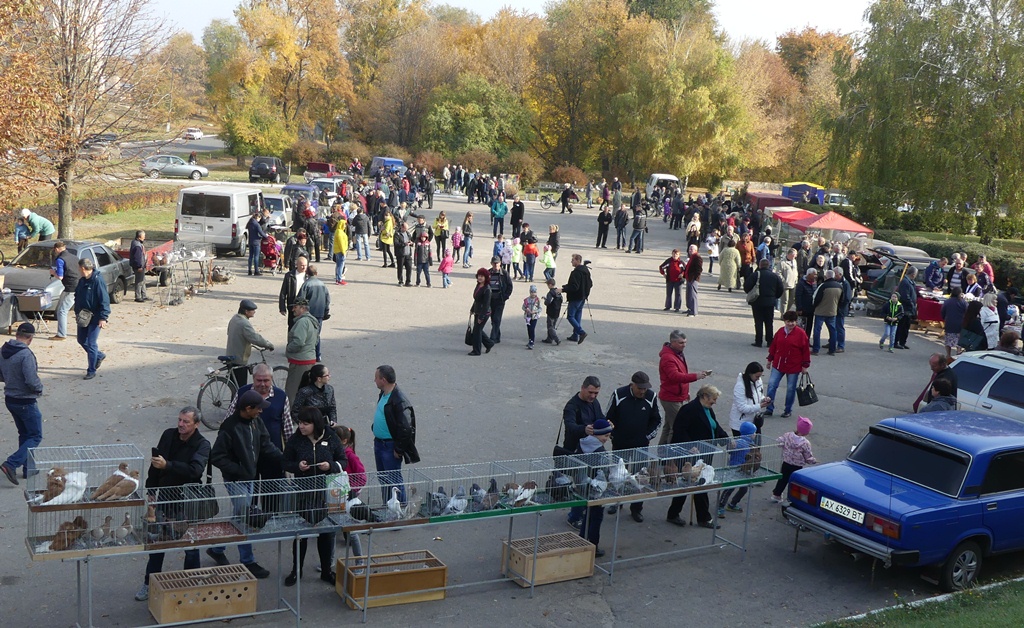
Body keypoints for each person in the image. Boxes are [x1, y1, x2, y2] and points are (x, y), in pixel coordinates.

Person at [134, 407, 210, 601]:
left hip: (186, 502)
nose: (181, 425)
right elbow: (155, 464)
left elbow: (195, 471)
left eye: (186, 422)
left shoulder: (202, 444)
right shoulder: (169, 435)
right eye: (180, 420)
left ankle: (191, 584)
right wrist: (151, 490)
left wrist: (169, 465)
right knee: (158, 543)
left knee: (191, 546)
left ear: (196, 424)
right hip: (165, 500)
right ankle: (149, 584)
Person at [206, 389, 283, 578]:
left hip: (250, 477)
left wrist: (284, 459)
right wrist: (239, 469)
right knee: (246, 518)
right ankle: (248, 561)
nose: (261, 412)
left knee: (239, 516)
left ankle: (217, 549)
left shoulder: (255, 422)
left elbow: (265, 444)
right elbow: (217, 457)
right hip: (235, 480)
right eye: (258, 409)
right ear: (247, 408)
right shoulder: (229, 428)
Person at [283, 407, 347, 586]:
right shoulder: (296, 439)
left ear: (315, 424)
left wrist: (331, 466)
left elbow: (343, 460)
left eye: (305, 423)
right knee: (300, 534)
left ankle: (326, 571)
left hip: (325, 494)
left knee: (326, 533)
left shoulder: (331, 437)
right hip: (303, 492)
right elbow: (285, 461)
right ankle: (296, 571)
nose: (301, 426)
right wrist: (298, 466)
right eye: (300, 423)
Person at [665, 385, 726, 529]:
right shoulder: (689, 409)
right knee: (692, 485)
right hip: (690, 456)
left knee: (696, 485)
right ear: (704, 396)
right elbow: (679, 430)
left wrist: (726, 439)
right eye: (713, 399)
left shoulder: (707, 409)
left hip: (704, 453)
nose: (715, 402)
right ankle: (696, 517)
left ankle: (691, 516)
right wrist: (689, 446)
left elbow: (715, 427)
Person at [606, 372, 662, 523]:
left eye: (645, 388)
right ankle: (616, 502)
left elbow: (657, 420)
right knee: (617, 476)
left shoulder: (651, 397)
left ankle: (636, 508)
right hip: (620, 444)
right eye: (639, 388)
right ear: (632, 385)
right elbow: (608, 417)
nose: (642, 391)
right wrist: (613, 435)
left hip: (641, 446)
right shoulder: (619, 394)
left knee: (640, 478)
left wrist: (646, 437)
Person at [0, 323, 43, 485]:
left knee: (25, 434)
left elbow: (1, 375)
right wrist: (39, 389)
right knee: (35, 435)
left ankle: (28, 469)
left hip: (10, 399)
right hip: (25, 400)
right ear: (30, 338)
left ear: (17, 334)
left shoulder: (3, 350)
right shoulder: (25, 355)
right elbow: (32, 380)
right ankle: (11, 464)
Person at [372, 365, 419, 504]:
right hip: (379, 442)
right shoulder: (384, 394)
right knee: (383, 478)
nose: (374, 380)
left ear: (383, 380)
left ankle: (399, 509)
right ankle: (388, 506)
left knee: (393, 480)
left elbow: (406, 428)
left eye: (376, 378)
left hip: (389, 446)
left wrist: (398, 449)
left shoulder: (399, 400)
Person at [562, 375, 605, 530]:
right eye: (590, 392)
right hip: (576, 451)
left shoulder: (594, 403)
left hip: (593, 448)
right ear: (583, 388)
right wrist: (584, 429)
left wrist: (607, 425)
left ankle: (589, 509)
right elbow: (570, 426)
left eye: (596, 393)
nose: (593, 396)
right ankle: (574, 517)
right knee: (581, 485)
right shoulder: (572, 406)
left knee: (596, 481)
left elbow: (600, 419)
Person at [657, 330, 710, 444]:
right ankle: (669, 457)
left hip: (676, 395)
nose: (684, 345)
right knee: (676, 427)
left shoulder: (677, 353)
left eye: (685, 342)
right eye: (681, 343)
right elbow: (675, 376)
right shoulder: (668, 358)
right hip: (671, 398)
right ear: (673, 342)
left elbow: (680, 375)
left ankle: (661, 455)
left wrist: (685, 392)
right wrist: (696, 376)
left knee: (668, 427)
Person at [225, 364, 293, 451]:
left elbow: (287, 428)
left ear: (271, 379)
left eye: (266, 380)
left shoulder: (281, 396)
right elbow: (228, 420)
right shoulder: (242, 393)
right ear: (253, 378)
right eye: (259, 380)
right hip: (245, 448)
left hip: (272, 450)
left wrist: (290, 452)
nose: (262, 384)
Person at [575, 418, 613, 556]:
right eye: (605, 436)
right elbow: (605, 472)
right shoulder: (600, 451)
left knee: (587, 514)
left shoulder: (582, 443)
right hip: (596, 491)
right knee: (596, 517)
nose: (606, 439)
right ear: (597, 434)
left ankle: (582, 539)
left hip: (582, 486)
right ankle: (593, 545)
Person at [764, 311, 811, 420]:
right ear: (785, 321)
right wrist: (769, 359)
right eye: (789, 321)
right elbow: (774, 347)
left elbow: (805, 351)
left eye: (793, 321)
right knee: (771, 385)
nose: (791, 324)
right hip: (778, 364)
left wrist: (805, 365)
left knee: (791, 389)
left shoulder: (801, 334)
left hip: (793, 366)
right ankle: (769, 408)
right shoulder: (780, 332)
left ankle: (787, 410)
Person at [73, 258, 109, 380]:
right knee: (81, 340)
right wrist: (77, 312)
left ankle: (91, 370)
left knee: (92, 343)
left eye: (79, 269)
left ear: (83, 268)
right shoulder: (82, 281)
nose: (78, 271)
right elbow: (77, 296)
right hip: (83, 316)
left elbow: (104, 299)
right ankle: (98, 356)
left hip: (95, 317)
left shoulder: (98, 281)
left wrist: (103, 317)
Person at [225, 299, 274, 387]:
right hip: (239, 358)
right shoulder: (244, 323)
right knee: (241, 388)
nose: (254, 312)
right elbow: (255, 338)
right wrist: (268, 344)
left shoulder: (234, 318)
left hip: (231, 354)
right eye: (253, 310)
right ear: (246, 311)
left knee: (234, 387)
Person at [771, 416, 817, 502]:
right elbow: (808, 456)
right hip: (797, 465)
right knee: (794, 482)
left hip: (786, 462)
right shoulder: (805, 443)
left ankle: (776, 494)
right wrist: (813, 461)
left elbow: (779, 441)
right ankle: (791, 498)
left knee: (782, 479)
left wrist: (784, 446)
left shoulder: (788, 435)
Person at [285, 298, 319, 403]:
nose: (293, 309)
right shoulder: (313, 321)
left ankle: (291, 416)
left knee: (292, 392)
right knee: (306, 391)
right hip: (309, 359)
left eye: (295, 307)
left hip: (300, 362)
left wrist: (288, 349)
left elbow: (299, 342)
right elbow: (316, 340)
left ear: (303, 308)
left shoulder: (302, 322)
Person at [745, 259, 783, 348]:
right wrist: (774, 297)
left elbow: (747, 287)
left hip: (757, 302)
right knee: (769, 322)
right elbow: (780, 289)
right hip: (770, 302)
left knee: (758, 321)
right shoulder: (775, 276)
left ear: (760, 265)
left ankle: (758, 341)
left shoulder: (755, 275)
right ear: (769, 265)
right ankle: (770, 341)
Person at [296, 265, 330, 361]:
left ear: (307, 273)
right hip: (319, 313)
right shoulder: (322, 284)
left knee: (306, 334)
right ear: (316, 273)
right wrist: (326, 311)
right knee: (316, 334)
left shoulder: (306, 284)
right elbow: (327, 299)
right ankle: (317, 354)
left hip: (309, 313)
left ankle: (307, 353)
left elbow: (300, 299)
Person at [49, 241, 79, 341]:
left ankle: (61, 334)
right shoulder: (74, 257)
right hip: (80, 285)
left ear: (56, 249)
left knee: (62, 311)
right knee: (80, 309)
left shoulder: (60, 260)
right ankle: (84, 332)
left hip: (70, 287)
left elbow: (60, 277)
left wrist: (53, 272)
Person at [730, 361, 768, 435]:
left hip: (754, 422)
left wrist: (764, 399)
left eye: (760, 376)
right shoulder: (740, 386)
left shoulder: (758, 381)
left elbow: (759, 396)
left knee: (757, 445)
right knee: (744, 446)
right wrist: (760, 406)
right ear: (750, 374)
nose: (759, 379)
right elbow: (742, 408)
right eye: (757, 376)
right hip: (740, 425)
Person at [811, 269, 843, 355]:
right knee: (833, 331)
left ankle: (816, 349)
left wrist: (814, 307)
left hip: (820, 312)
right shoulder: (839, 286)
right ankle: (832, 350)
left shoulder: (823, 286)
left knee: (817, 331)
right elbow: (841, 300)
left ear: (826, 276)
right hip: (832, 311)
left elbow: (816, 298)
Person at [563, 255, 592, 344]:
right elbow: (590, 284)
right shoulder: (586, 270)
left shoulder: (575, 273)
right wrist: (585, 293)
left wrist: (564, 289)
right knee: (577, 316)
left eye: (572, 260)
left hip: (575, 298)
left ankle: (581, 332)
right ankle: (575, 335)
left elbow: (574, 287)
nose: (571, 262)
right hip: (583, 297)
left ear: (577, 261)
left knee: (570, 316)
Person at [469, 268, 495, 356]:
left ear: (486, 278)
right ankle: (489, 343)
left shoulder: (487, 289)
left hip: (484, 313)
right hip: (477, 310)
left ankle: (477, 350)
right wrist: (472, 309)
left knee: (477, 331)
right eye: (479, 276)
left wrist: (481, 317)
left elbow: (486, 304)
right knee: (478, 330)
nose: (480, 278)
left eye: (482, 276)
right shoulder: (479, 285)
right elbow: (476, 299)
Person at [488, 255, 513, 344]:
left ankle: (492, 339)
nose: (495, 265)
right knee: (493, 319)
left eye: (497, 263)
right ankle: (497, 337)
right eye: (494, 263)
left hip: (500, 299)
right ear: (491, 263)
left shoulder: (504, 273)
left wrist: (505, 297)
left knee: (496, 319)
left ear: (500, 263)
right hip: (490, 300)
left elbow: (510, 286)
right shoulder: (488, 273)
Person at [278, 255, 308, 329]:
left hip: (305, 306)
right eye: (302, 265)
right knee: (292, 327)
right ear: (297, 265)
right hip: (293, 305)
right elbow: (283, 292)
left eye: (305, 265)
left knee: (303, 327)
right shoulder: (289, 276)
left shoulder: (309, 276)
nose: (304, 267)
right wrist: (282, 307)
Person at [938, 287, 966, 361]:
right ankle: (958, 351)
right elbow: (967, 311)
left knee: (948, 340)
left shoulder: (947, 301)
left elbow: (942, 311)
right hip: (960, 323)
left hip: (950, 322)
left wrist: (944, 318)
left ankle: (948, 354)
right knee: (959, 339)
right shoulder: (963, 302)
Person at [795, 268, 817, 336]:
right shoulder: (801, 284)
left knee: (809, 326)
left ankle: (806, 340)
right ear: (809, 275)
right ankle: (799, 341)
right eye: (814, 274)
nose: (815, 276)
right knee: (801, 326)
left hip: (811, 308)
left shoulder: (814, 283)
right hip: (803, 309)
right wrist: (799, 308)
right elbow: (798, 296)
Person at [129, 230, 149, 302]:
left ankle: (144, 295)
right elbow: (137, 258)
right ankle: (138, 297)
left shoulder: (137, 243)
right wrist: (139, 267)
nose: (145, 237)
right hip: (138, 267)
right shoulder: (137, 246)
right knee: (139, 281)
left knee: (143, 280)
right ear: (140, 237)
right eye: (144, 236)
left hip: (141, 266)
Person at [683, 244, 703, 316]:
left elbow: (699, 269)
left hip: (693, 279)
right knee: (688, 295)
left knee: (693, 295)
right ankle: (690, 308)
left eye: (691, 249)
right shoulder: (691, 257)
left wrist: (695, 278)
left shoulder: (697, 257)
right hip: (689, 278)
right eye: (689, 249)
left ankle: (694, 311)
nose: (690, 250)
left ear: (696, 250)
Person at [542, 278, 562, 345]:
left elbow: (548, 302)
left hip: (551, 311)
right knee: (553, 325)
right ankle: (549, 338)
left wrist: (545, 301)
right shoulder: (558, 292)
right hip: (557, 311)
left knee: (550, 327)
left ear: (550, 285)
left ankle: (556, 339)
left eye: (548, 284)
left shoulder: (550, 293)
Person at [778, 248, 799, 314]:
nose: (794, 257)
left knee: (792, 300)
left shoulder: (794, 261)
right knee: (785, 300)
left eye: (795, 255)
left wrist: (796, 279)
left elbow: (796, 271)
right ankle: (783, 314)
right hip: (785, 285)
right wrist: (784, 281)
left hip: (793, 284)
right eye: (793, 255)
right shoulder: (782, 263)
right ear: (789, 254)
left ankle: (787, 312)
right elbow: (778, 273)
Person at [522, 285, 542, 349]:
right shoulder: (526, 300)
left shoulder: (537, 300)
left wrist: (535, 311)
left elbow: (540, 308)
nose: (533, 294)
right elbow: (523, 307)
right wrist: (526, 309)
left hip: (534, 317)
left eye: (535, 292)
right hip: (528, 316)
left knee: (532, 329)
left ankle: (532, 342)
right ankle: (530, 340)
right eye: (532, 292)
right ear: (530, 292)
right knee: (529, 329)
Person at [394, 220, 413, 286]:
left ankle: (408, 281)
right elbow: (396, 244)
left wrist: (411, 243)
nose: (406, 230)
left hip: (408, 254)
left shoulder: (408, 233)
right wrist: (404, 244)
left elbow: (410, 240)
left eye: (407, 228)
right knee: (400, 268)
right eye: (405, 228)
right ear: (402, 227)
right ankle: (400, 281)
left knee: (409, 268)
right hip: (400, 254)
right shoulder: (397, 234)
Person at [332, 213, 349, 285]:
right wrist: (343, 251)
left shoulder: (339, 231)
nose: (345, 226)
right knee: (340, 265)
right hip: (340, 251)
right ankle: (339, 279)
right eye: (344, 224)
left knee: (339, 265)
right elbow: (341, 243)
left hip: (338, 250)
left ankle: (338, 279)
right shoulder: (339, 232)